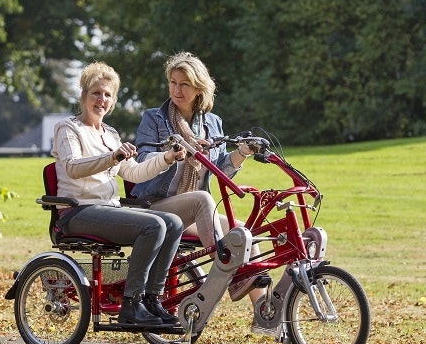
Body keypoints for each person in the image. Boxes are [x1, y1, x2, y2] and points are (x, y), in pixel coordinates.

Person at [51, 62, 186, 326]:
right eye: (96, 93)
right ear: (83, 95)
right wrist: (112, 157)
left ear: (113, 101)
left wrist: (167, 158)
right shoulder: (68, 128)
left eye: (107, 95)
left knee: (173, 222)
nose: (101, 100)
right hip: (78, 211)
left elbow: (133, 173)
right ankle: (131, 303)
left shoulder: (110, 134)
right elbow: (73, 167)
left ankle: (152, 299)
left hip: (107, 210)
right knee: (154, 225)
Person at [132, 52, 266, 305]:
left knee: (243, 231)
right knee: (202, 199)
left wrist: (241, 153)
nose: (176, 90)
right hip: (156, 206)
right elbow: (142, 159)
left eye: (184, 84)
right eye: (173, 82)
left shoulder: (213, 123)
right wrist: (176, 152)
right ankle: (228, 272)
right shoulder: (154, 118)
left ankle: (263, 310)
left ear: (199, 89)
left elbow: (219, 169)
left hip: (194, 212)